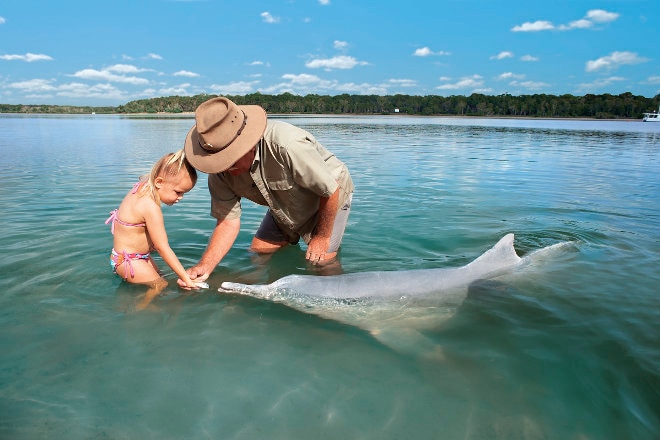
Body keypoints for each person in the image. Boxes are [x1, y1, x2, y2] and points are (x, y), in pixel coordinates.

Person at [179, 96, 354, 286]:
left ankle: (346, 300)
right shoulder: (220, 173)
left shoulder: (287, 144)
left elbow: (330, 189)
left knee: (321, 263)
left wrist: (322, 237)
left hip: (328, 195)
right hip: (282, 203)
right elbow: (227, 223)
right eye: (219, 161)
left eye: (230, 159)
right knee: (258, 252)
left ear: (249, 144)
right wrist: (205, 265)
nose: (225, 169)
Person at [106, 150, 200, 308]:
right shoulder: (150, 207)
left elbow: (135, 226)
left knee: (160, 279)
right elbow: (163, 247)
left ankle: (140, 302)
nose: (181, 198)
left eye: (184, 193)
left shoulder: (141, 188)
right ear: (159, 182)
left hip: (126, 257)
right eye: (178, 192)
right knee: (160, 285)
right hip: (129, 261)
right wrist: (186, 278)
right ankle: (140, 310)